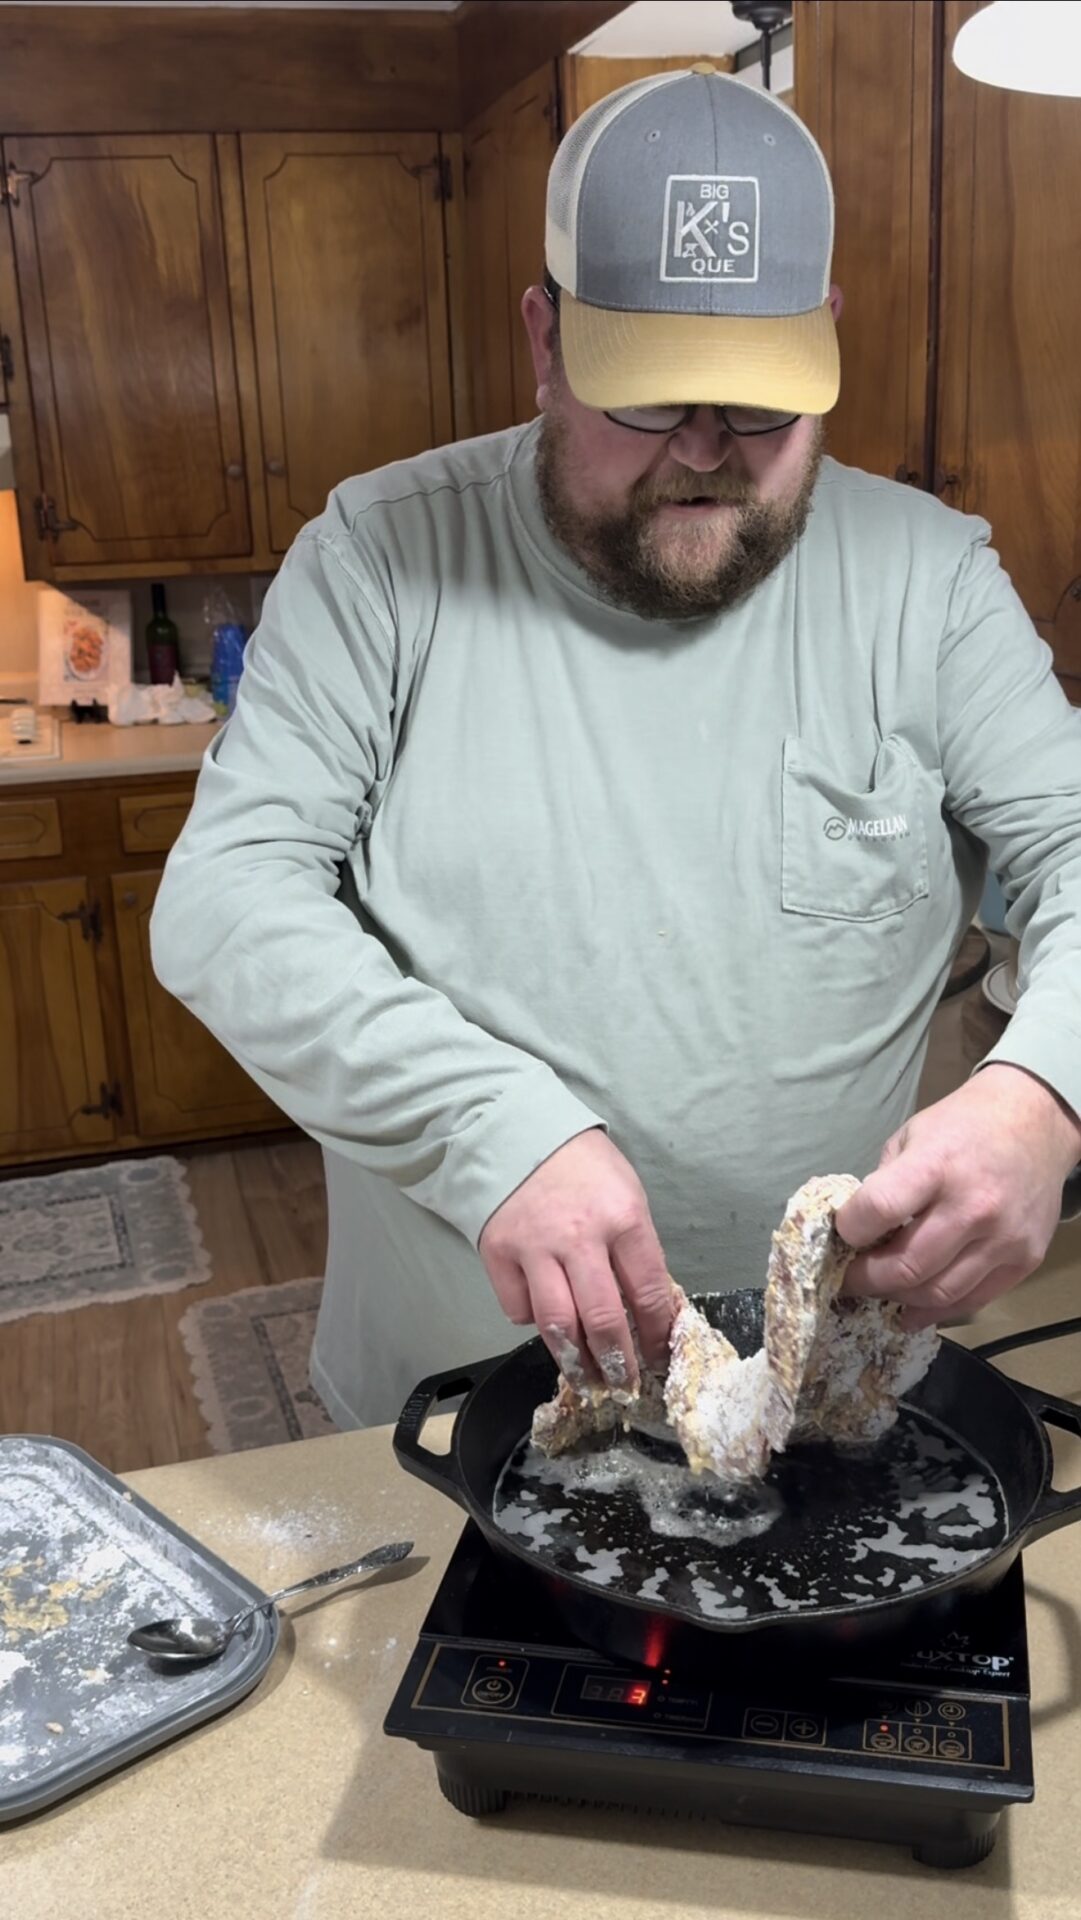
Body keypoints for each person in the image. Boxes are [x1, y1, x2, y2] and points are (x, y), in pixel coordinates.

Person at [151, 68, 1081, 1430]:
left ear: (823, 335)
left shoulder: (928, 580)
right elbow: (227, 903)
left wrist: (1040, 1095)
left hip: (819, 1393)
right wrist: (492, 1131)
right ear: (544, 339)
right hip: (456, 1385)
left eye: (759, 407)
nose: (700, 454)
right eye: (644, 402)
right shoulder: (380, 558)